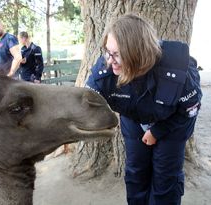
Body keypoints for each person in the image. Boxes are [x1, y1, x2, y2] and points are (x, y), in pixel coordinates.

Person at [86, 14, 202, 205]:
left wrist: (157, 131)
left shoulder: (177, 70)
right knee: (135, 172)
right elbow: (86, 100)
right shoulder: (106, 68)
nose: (109, 60)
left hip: (171, 124)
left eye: (117, 54)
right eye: (108, 51)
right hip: (133, 119)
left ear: (138, 53)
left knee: (166, 178)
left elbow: (190, 110)